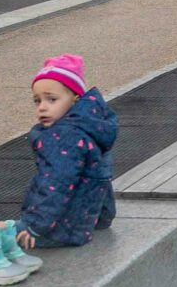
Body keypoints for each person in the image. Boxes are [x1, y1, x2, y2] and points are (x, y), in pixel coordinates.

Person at [17, 52, 121, 245]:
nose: (42, 107)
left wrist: (34, 225)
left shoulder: (63, 137)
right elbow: (101, 177)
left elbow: (56, 183)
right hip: (83, 222)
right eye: (37, 100)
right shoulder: (90, 127)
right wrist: (103, 217)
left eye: (51, 99)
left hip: (58, 228)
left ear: (74, 99)